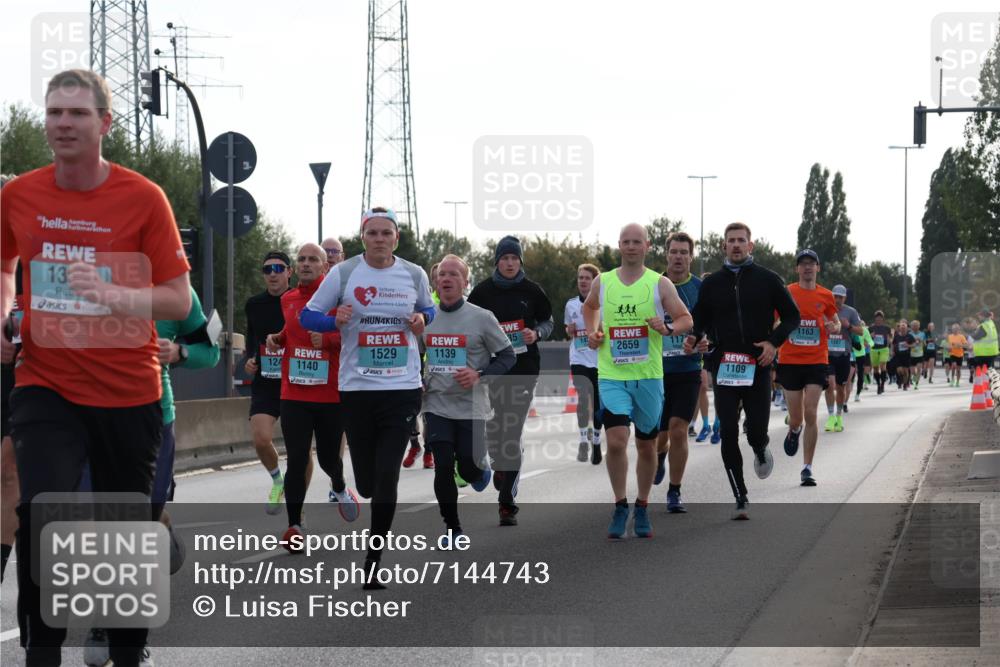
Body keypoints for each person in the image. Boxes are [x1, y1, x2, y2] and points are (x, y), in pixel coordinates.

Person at [1, 69, 192, 667]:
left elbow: (180, 301)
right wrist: (5, 314)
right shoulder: (18, 195)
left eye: (77, 114)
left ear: (104, 124)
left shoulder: (143, 198)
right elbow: (4, 266)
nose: (63, 123)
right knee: (42, 512)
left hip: (128, 392)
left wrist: (118, 296)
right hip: (45, 384)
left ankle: (129, 651)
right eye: (55, 112)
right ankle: (42, 653)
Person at [300, 207, 434, 588]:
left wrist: (424, 320)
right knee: (369, 483)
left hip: (402, 389)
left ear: (396, 238)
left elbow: (429, 310)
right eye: (372, 233)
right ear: (363, 238)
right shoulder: (342, 274)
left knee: (388, 476)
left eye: (386, 233)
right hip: (357, 390)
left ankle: (373, 562)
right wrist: (334, 320)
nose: (379, 239)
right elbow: (308, 317)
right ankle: (363, 491)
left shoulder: (414, 274)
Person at [582, 224, 692, 538]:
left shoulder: (660, 284)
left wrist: (667, 328)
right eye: (626, 242)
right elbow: (590, 307)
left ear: (647, 245)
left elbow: (687, 319)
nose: (631, 247)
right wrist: (593, 332)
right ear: (619, 245)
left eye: (636, 242)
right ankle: (620, 505)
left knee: (647, 445)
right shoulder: (603, 282)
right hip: (612, 375)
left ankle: (642, 506)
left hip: (648, 377)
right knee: (616, 441)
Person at [685, 222, 799, 519]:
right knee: (728, 431)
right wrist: (693, 338)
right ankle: (740, 495)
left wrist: (774, 344)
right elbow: (700, 319)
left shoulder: (768, 279)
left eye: (741, 240)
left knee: (756, 430)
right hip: (724, 365)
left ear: (751, 245)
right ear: (724, 246)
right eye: (731, 241)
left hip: (758, 364)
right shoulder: (711, 284)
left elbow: (792, 316)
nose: (736, 245)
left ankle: (760, 446)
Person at [267, 243, 359, 551]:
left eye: (313, 260)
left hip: (331, 394)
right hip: (293, 392)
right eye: (302, 259)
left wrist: (330, 339)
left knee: (329, 459)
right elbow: (292, 328)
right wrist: (279, 338)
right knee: (296, 458)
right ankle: (294, 525)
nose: (306, 264)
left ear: (325, 267)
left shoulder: (338, 300)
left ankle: (339, 484)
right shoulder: (289, 299)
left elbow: (356, 338)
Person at [421, 255, 516, 541]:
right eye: (442, 275)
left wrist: (479, 374)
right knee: (443, 466)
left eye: (454, 275)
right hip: (436, 404)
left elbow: (507, 356)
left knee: (468, 465)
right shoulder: (426, 318)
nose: (447, 279)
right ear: (436, 282)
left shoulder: (481, 317)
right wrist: (416, 381)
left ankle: (479, 471)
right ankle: (452, 528)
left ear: (465, 282)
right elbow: (412, 353)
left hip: (471, 405)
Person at [468, 236, 554, 526]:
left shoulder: (532, 291)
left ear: (520, 261)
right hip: (491, 370)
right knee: (494, 428)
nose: (509, 263)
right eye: (504, 258)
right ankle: (500, 467)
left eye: (514, 258)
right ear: (497, 261)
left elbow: (548, 321)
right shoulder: (482, 292)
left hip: (523, 368)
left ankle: (507, 503)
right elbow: (469, 325)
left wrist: (537, 333)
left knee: (511, 429)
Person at [244, 251, 308, 514]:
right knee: (261, 438)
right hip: (266, 381)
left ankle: (297, 506)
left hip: (297, 380)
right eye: (267, 269)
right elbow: (252, 338)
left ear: (289, 272)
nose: (272, 274)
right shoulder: (254, 304)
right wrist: (250, 359)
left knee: (300, 454)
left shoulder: (299, 301)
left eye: (278, 268)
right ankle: (277, 481)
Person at [777, 251, 840, 487]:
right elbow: (775, 319)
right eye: (803, 264)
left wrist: (833, 326)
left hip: (816, 361)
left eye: (811, 264)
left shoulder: (825, 295)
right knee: (796, 417)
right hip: (790, 361)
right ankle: (794, 430)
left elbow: (834, 320)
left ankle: (807, 468)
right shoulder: (788, 292)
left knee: (811, 412)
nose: (807, 268)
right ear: (797, 269)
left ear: (818, 268)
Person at [653, 232, 702, 513]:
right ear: (666, 254)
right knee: (660, 436)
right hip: (655, 372)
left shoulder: (699, 288)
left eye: (684, 252)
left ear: (691, 257)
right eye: (674, 251)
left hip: (688, 368)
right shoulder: (652, 286)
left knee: (679, 429)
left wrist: (705, 341)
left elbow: (710, 325)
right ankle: (660, 455)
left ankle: (675, 490)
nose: (679, 257)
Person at [402, 261, 439, 471]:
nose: (438, 280)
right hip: (416, 368)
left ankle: (428, 452)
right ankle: (414, 445)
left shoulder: (449, 302)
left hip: (436, 370)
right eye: (435, 276)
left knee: (428, 416)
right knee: (409, 414)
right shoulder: (421, 301)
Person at [564, 263, 603, 464]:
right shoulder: (571, 305)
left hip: (598, 359)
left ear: (595, 281)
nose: (583, 281)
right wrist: (569, 330)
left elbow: (607, 330)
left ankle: (596, 441)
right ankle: (582, 441)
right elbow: (568, 329)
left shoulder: (603, 303)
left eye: (587, 278)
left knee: (597, 401)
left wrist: (599, 332)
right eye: (580, 278)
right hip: (578, 357)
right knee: (582, 397)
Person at [826, 284, 863, 429]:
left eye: (840, 297)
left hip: (844, 354)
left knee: (841, 387)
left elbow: (860, 331)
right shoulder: (826, 310)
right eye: (835, 296)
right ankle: (830, 417)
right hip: (828, 354)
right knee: (829, 384)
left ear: (845, 297)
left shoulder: (851, 312)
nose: (837, 299)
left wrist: (849, 327)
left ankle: (839, 416)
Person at [868, 310, 892, 394]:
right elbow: (867, 340)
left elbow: (889, 339)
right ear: (875, 319)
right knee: (875, 368)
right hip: (874, 349)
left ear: (882, 319)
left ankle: (882, 384)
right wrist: (871, 336)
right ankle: (878, 385)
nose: (878, 319)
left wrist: (889, 347)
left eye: (880, 318)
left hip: (884, 349)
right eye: (877, 318)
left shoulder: (887, 328)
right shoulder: (871, 328)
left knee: (883, 366)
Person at [969, 309, 998, 378]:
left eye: (979, 315)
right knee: (989, 369)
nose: (979, 317)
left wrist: (971, 333)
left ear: (983, 316)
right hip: (992, 351)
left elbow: (976, 336)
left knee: (981, 370)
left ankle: (983, 385)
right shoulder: (991, 323)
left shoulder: (984, 326)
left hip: (984, 352)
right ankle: (990, 384)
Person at [853, 320, 874, 402]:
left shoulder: (865, 330)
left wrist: (869, 345)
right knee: (850, 375)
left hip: (861, 354)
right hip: (849, 354)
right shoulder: (850, 329)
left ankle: (857, 394)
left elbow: (871, 342)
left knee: (860, 374)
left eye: (862, 324)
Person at [891, 320, 915, 390]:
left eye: (904, 327)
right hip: (898, 355)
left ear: (907, 328)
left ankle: (905, 384)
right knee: (899, 370)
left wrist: (908, 345)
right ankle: (901, 379)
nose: (903, 328)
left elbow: (914, 344)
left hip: (906, 355)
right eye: (902, 327)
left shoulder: (910, 336)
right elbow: (893, 344)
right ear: (900, 328)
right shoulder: (897, 336)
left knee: (905, 371)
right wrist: (892, 351)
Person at [946, 323, 969, 387]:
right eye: (953, 329)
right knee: (953, 366)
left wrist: (960, 345)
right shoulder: (950, 336)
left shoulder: (961, 336)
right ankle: (952, 380)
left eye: (956, 329)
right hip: (952, 354)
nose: (954, 330)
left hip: (960, 355)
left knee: (958, 369)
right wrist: (948, 348)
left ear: (958, 329)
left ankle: (958, 382)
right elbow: (948, 345)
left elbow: (966, 345)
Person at [908, 320, 926, 390]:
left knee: (919, 369)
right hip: (912, 355)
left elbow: (925, 344)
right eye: (913, 325)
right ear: (911, 327)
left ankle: (916, 384)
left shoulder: (922, 334)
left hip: (920, 354)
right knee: (913, 372)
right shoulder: (909, 334)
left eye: (916, 325)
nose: (915, 327)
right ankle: (914, 379)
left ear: (919, 326)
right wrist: (912, 344)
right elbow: (908, 344)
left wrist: (921, 341)